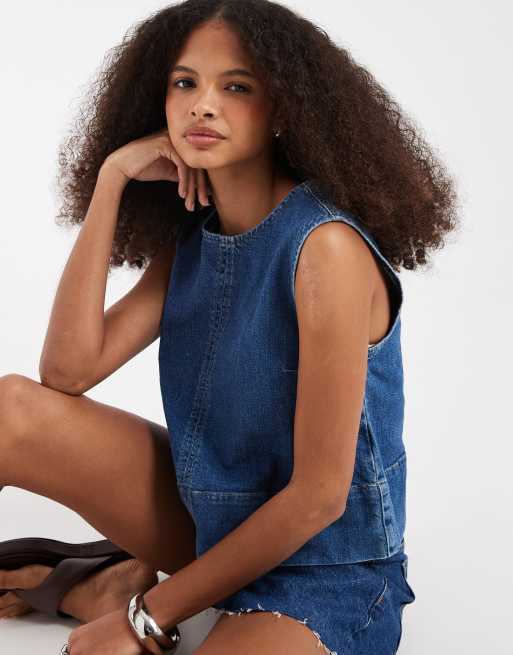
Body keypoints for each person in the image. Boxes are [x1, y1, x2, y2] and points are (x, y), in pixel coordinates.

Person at [0, 1, 459, 653]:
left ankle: (127, 591)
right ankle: (123, 582)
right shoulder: (197, 238)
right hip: (210, 521)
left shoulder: (324, 249)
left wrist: (142, 620)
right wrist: (111, 180)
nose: (203, 106)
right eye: (184, 83)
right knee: (11, 411)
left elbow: (318, 499)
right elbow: (67, 372)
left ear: (283, 109)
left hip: (325, 571)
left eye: (236, 86)